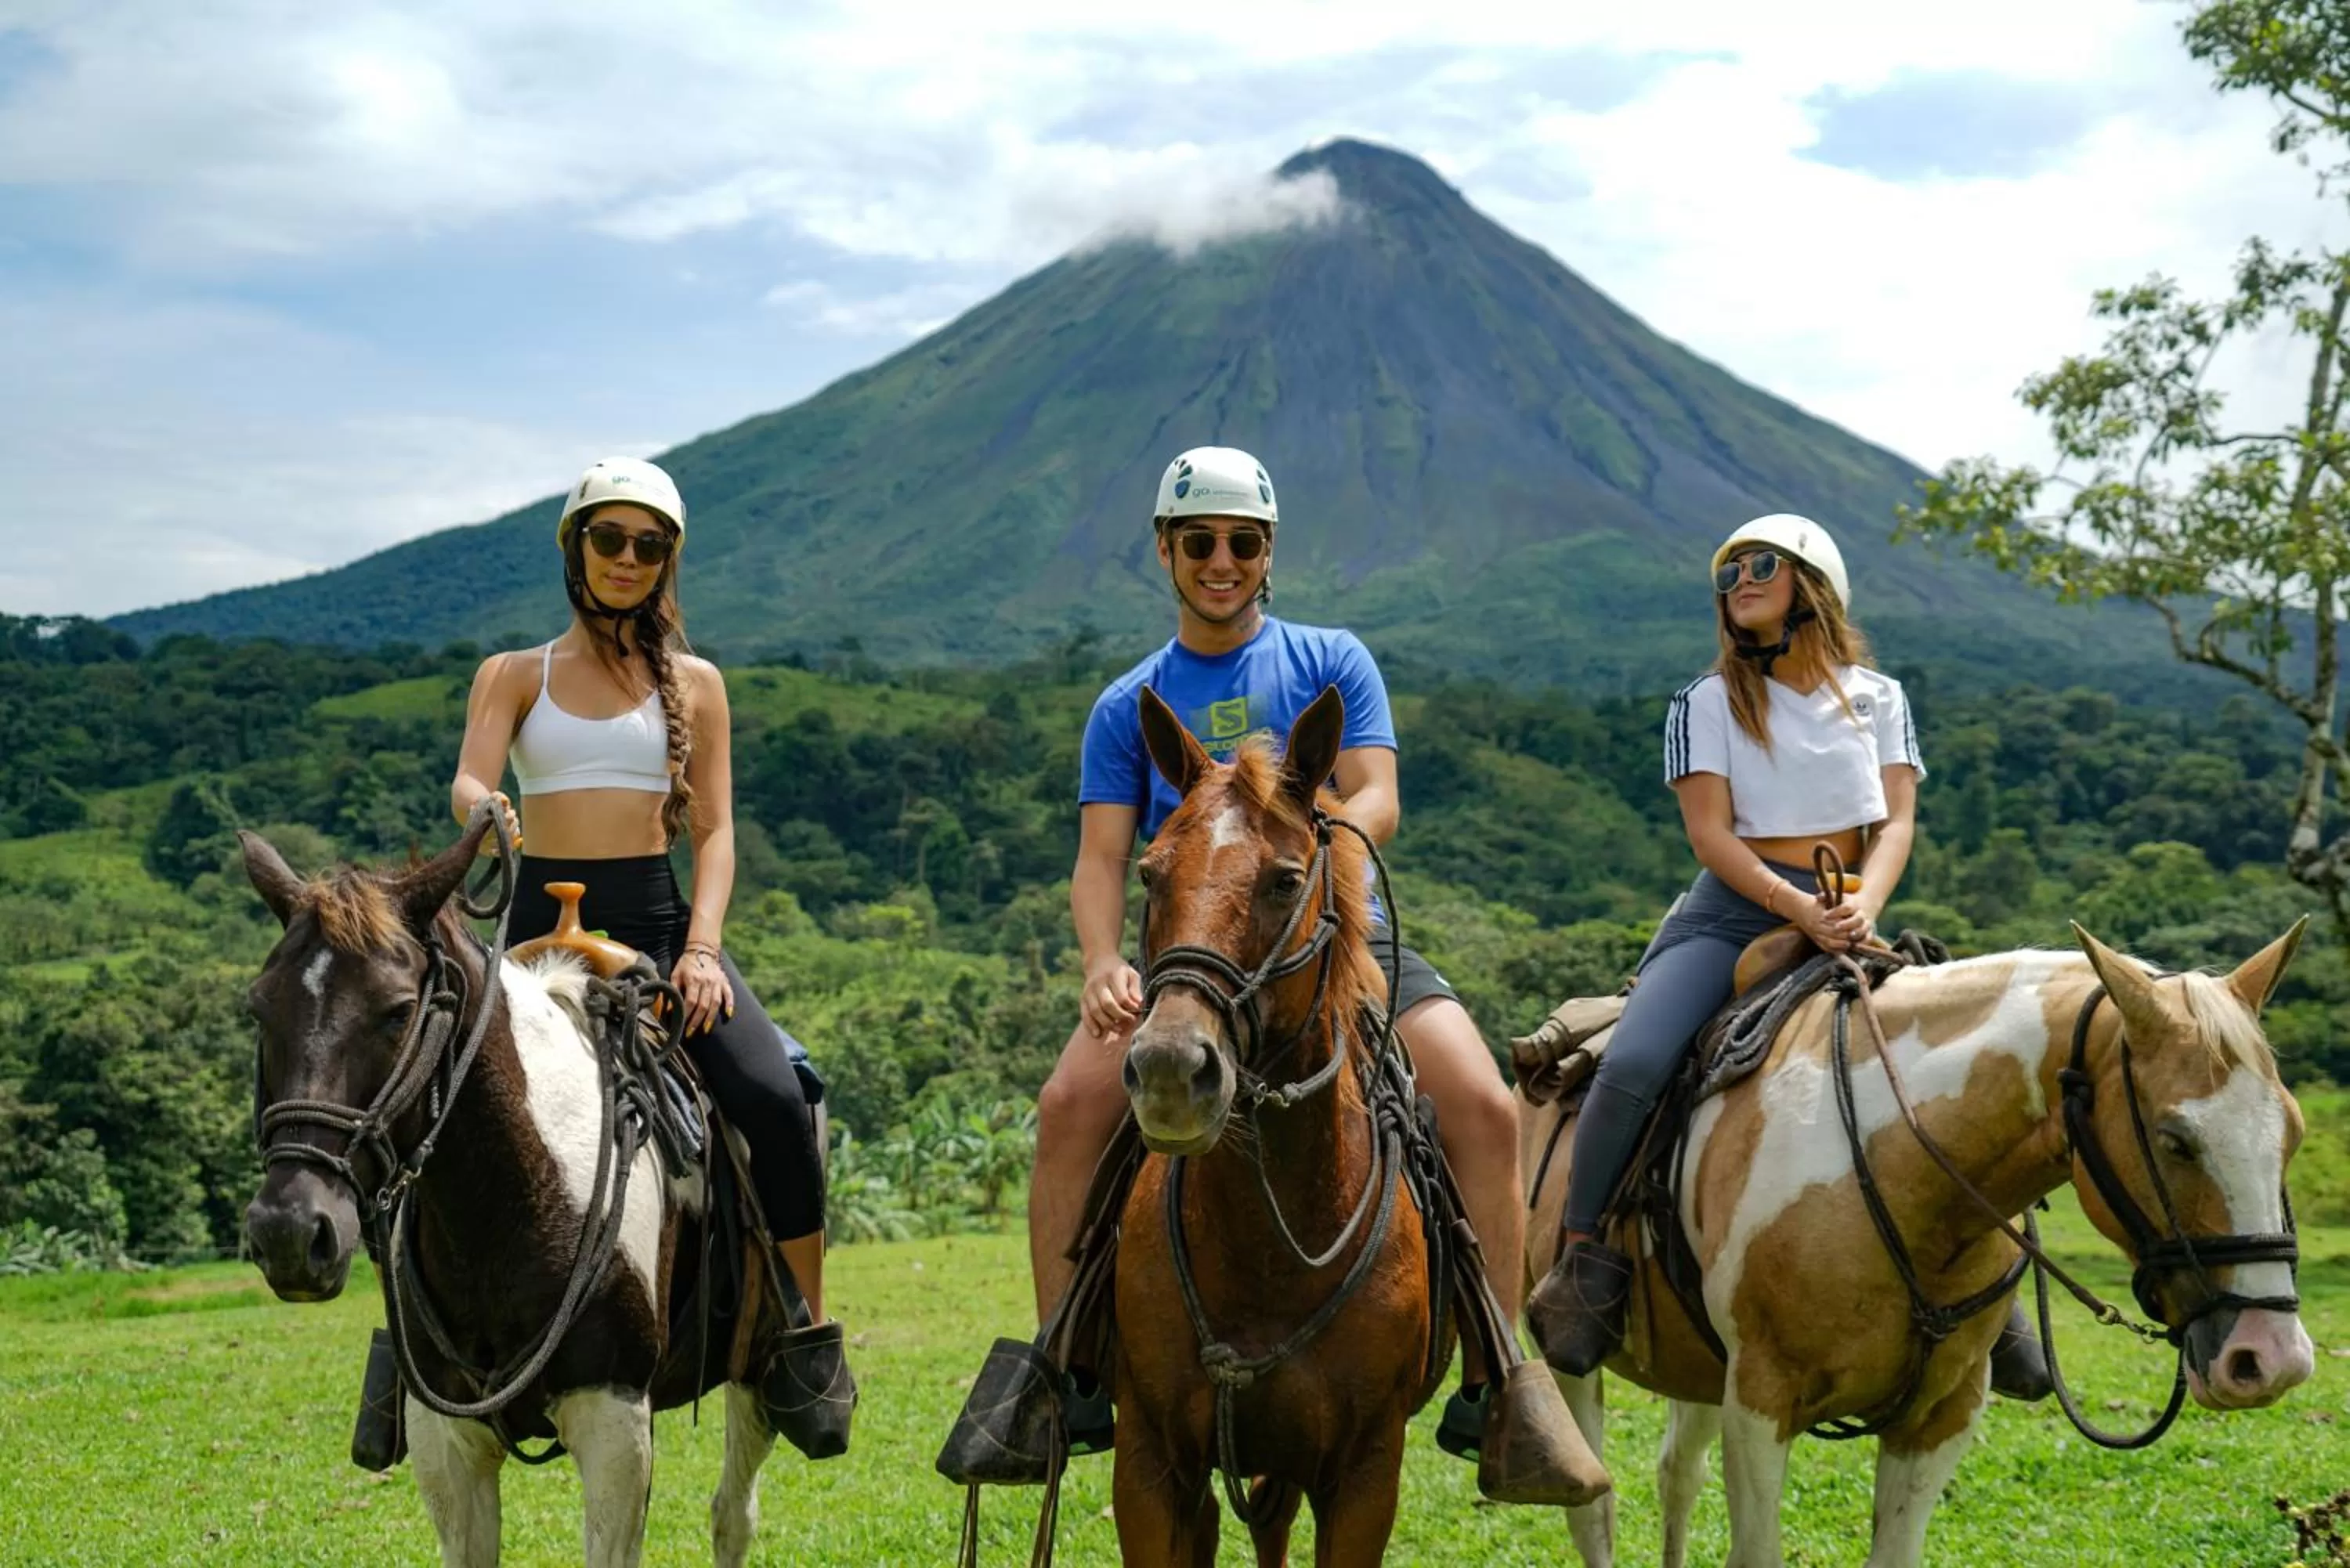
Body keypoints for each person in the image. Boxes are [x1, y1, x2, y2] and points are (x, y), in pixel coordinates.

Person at [1016, 445, 1568, 1470]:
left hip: (1331, 935)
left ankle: (1501, 1381)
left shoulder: (1330, 659)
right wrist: (1102, 960)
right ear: (1167, 551)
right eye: (1201, 542)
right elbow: (1101, 858)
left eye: (1243, 542)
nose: (1221, 560)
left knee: (1486, 1107)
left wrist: (1309, 862)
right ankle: (1065, 1376)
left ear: (1269, 553)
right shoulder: (1126, 702)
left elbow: (1377, 795)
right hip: (1194, 954)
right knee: (1068, 1107)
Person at [349, 455, 853, 1469]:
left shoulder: (698, 686)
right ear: (575, 548)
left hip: (661, 932)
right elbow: (468, 774)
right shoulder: (513, 672)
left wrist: (703, 950)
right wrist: (483, 808)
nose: (627, 557)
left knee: (777, 1100)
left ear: (668, 560)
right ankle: (406, 1350)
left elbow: (715, 833)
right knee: (397, 1104)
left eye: (648, 544)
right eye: (609, 537)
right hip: (528, 934)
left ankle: (799, 1339)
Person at [1525, 512, 2049, 1400]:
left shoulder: (1881, 697)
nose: (1739, 584)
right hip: (1733, 912)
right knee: (1638, 1060)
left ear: (1813, 582)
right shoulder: (1706, 702)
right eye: (1727, 576)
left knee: (1955, 1064)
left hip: (1850, 906)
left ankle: (1999, 1299)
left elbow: (1898, 821)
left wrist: (1857, 908)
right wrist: (1798, 906)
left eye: (1758, 565)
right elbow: (1710, 835)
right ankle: (1584, 1259)